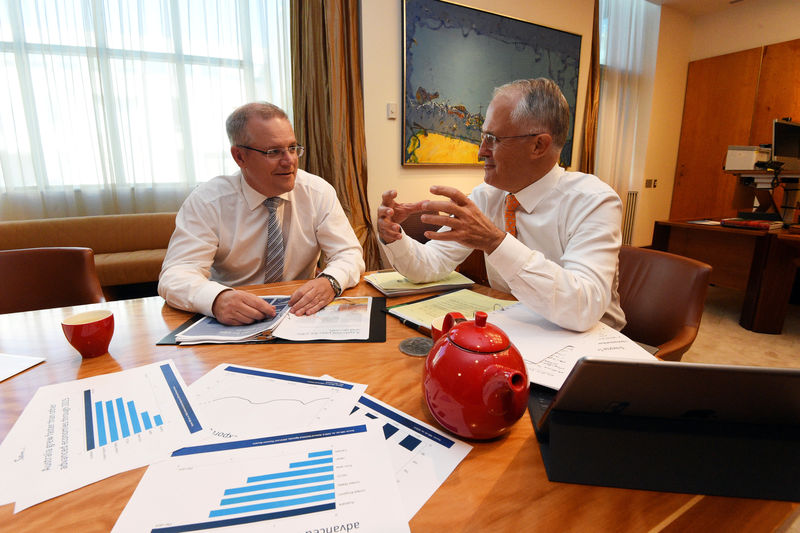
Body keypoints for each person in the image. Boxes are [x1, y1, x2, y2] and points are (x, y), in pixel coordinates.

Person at [378, 78, 625, 332]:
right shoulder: (487, 196)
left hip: (592, 349)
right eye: (483, 136)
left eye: (493, 139)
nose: (480, 151)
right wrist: (394, 237)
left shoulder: (594, 201)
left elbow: (582, 309)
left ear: (538, 145)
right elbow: (431, 265)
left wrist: (495, 242)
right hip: (516, 332)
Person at [159, 102, 365, 326]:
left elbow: (349, 253)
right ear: (240, 157)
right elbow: (175, 274)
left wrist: (330, 281)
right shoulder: (208, 201)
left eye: (293, 148)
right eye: (274, 152)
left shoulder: (317, 192)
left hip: (301, 316)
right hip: (232, 319)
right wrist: (217, 299)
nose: (290, 161)